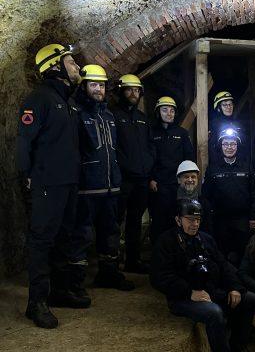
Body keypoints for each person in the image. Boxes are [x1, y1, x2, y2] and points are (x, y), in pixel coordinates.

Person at [16, 43, 84, 328]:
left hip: (67, 183)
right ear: (55, 66)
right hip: (47, 183)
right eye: (71, 62)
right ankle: (37, 302)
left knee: (63, 238)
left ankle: (58, 291)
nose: (77, 67)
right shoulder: (39, 99)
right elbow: (24, 141)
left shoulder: (67, 102)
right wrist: (27, 176)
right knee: (42, 240)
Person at [150, 199, 255, 352]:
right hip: (183, 298)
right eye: (190, 220)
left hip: (210, 291)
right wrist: (189, 292)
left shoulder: (206, 239)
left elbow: (224, 265)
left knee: (250, 299)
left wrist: (235, 287)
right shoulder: (166, 242)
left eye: (198, 220)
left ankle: (238, 346)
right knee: (214, 313)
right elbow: (158, 277)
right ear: (178, 220)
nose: (195, 224)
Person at [72, 64, 135, 292]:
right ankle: (75, 282)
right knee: (82, 235)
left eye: (101, 85)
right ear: (84, 86)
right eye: (93, 84)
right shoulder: (76, 113)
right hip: (87, 187)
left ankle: (109, 274)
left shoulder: (108, 115)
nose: (98, 89)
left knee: (110, 233)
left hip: (110, 187)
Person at [112, 74, 155, 273]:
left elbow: (149, 147)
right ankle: (111, 262)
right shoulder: (112, 115)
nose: (133, 94)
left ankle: (132, 260)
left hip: (140, 179)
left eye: (137, 90)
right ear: (121, 91)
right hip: (122, 179)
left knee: (135, 221)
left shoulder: (143, 120)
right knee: (115, 221)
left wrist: (148, 168)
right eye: (129, 89)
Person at [202, 128, 255, 266]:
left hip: (242, 220)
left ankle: (242, 284)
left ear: (237, 146)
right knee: (221, 254)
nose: (229, 147)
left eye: (233, 144)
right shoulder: (213, 168)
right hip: (220, 220)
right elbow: (206, 195)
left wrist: (253, 216)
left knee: (243, 254)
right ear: (221, 146)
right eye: (226, 144)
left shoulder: (247, 166)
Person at [149, 96, 194, 243]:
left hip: (177, 186)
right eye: (165, 110)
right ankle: (158, 254)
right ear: (158, 112)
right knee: (158, 222)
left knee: (177, 219)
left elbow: (189, 158)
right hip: (159, 186)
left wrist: (187, 181)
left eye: (172, 111)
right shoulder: (152, 133)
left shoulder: (181, 133)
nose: (169, 113)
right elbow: (148, 157)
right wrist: (151, 178)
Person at [209, 91, 248, 165]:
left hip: (238, 163)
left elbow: (244, 145)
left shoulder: (239, 124)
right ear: (218, 108)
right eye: (225, 105)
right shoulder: (213, 125)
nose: (229, 107)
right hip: (218, 163)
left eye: (230, 104)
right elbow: (211, 146)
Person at [176, 160, 213, 234]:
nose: (190, 180)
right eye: (186, 177)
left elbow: (208, 230)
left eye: (193, 177)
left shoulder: (205, 204)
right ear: (179, 180)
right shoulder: (171, 203)